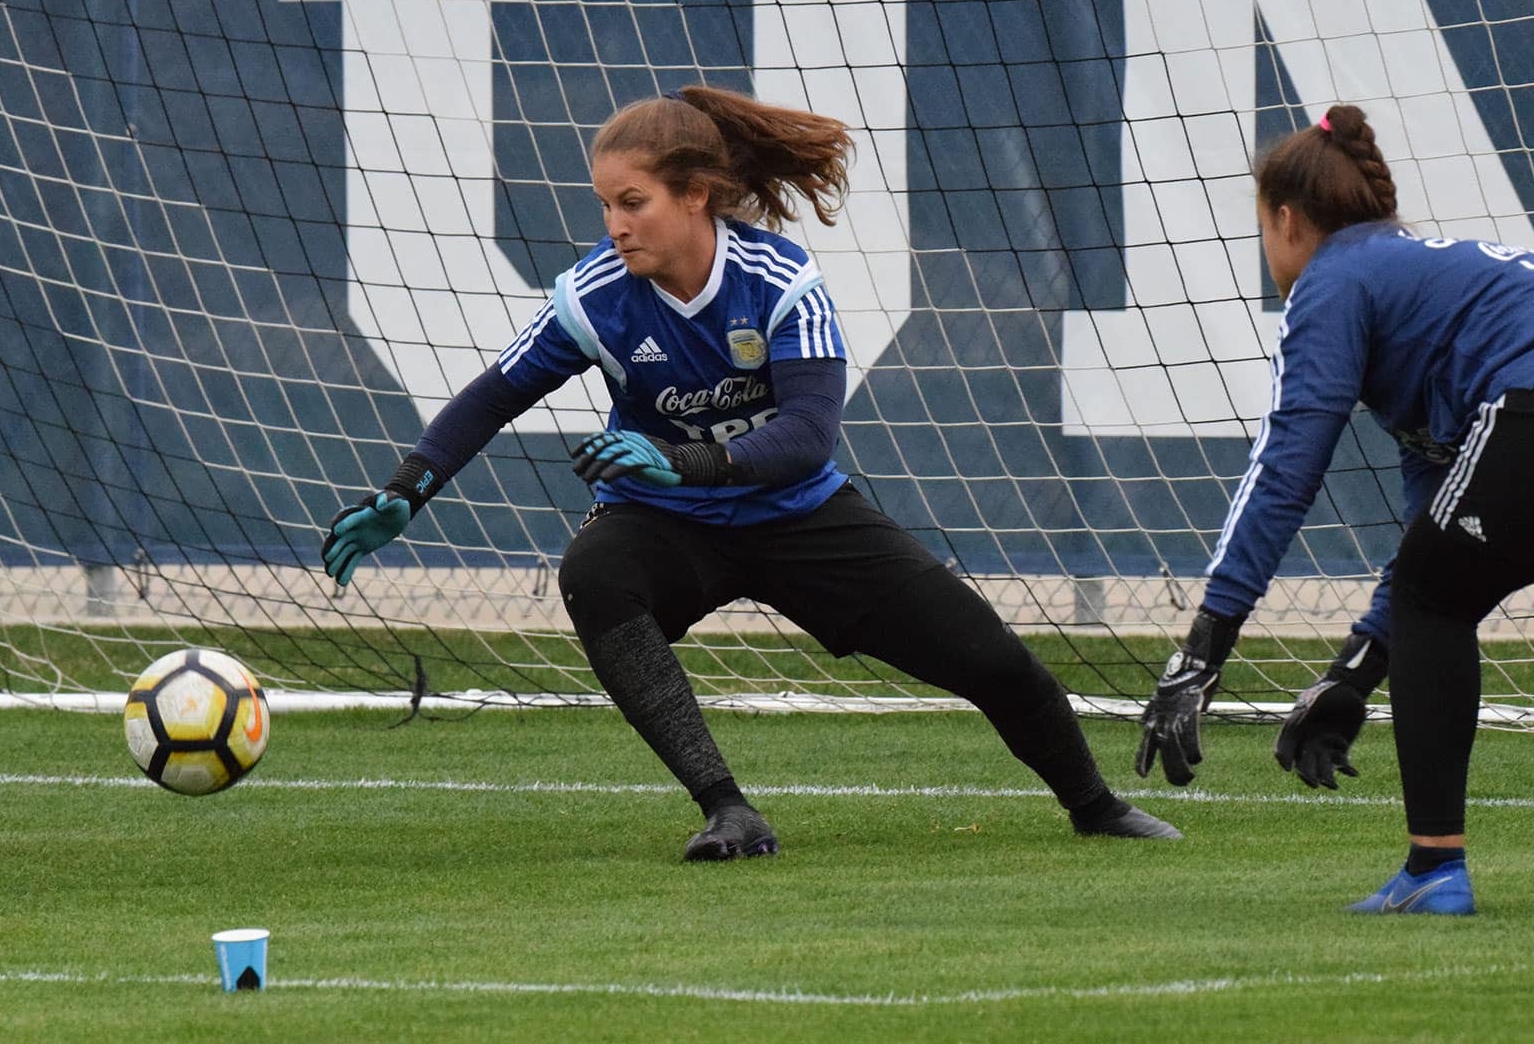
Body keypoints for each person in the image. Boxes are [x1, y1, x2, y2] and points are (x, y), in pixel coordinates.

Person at [322, 85, 1178, 861]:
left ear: (695, 195)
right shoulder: (592, 295)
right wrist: (407, 489)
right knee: (596, 573)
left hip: (796, 512)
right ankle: (727, 809)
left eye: (633, 202)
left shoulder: (779, 280)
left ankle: (1095, 806)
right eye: (605, 205)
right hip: (668, 523)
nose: (615, 225)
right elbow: (492, 396)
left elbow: (807, 435)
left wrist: (682, 459)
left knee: (993, 662)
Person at [1134, 103, 1534, 914]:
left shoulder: (1336, 278)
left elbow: (1287, 469)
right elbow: (1429, 544)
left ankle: (1434, 871)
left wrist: (1204, 648)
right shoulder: (1423, 301)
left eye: (1261, 226)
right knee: (1432, 586)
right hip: (1512, 404)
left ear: (1286, 219)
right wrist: (1351, 678)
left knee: (1431, 597)